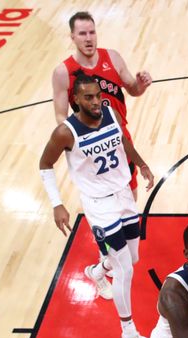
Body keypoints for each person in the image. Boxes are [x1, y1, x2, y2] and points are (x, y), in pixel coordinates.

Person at [39, 74, 155, 338]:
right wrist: (57, 203)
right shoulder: (65, 133)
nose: (95, 102)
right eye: (88, 97)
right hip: (99, 207)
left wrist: (140, 164)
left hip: (123, 197)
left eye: (97, 96)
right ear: (75, 100)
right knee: (125, 269)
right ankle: (129, 336)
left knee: (133, 258)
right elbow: (44, 165)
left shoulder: (110, 112)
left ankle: (97, 271)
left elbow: (122, 142)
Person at [52, 11, 152, 201]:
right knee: (102, 193)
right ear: (72, 37)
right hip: (92, 141)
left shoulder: (113, 57)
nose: (88, 39)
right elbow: (60, 116)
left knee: (130, 188)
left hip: (120, 134)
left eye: (92, 32)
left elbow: (133, 89)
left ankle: (130, 226)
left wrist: (141, 85)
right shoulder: (63, 72)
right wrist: (80, 141)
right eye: (82, 34)